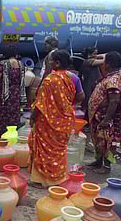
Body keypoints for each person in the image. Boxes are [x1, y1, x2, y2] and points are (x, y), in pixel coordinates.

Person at [29, 50, 85, 188]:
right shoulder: (71, 78)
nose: (48, 63)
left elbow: (39, 104)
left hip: (47, 122)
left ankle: (41, 179)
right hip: (65, 120)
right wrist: (66, 105)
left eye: (50, 61)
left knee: (45, 150)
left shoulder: (49, 80)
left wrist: (32, 118)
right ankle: (57, 179)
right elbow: (81, 96)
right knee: (59, 151)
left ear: (57, 63)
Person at [87, 52, 121, 174]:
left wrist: (106, 119)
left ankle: (106, 166)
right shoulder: (112, 76)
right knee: (99, 141)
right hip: (99, 117)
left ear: (109, 64)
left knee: (107, 142)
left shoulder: (114, 80)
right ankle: (98, 161)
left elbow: (114, 101)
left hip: (106, 118)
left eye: (104, 62)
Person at [0, 45, 23, 138]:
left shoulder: (3, 63)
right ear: (16, 54)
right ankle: (12, 135)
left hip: (4, 93)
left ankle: (0, 135)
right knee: (13, 113)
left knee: (1, 114)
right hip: (16, 93)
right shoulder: (20, 64)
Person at [80, 46, 104, 116]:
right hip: (90, 85)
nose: (96, 55)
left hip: (92, 84)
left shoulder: (89, 61)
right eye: (94, 53)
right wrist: (98, 56)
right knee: (89, 102)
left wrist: (96, 55)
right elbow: (105, 59)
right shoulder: (88, 61)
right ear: (89, 55)